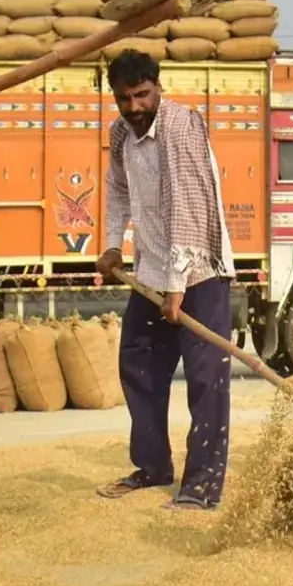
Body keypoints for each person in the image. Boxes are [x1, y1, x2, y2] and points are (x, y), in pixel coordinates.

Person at [93, 49, 236, 512]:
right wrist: (114, 244)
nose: (134, 107)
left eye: (142, 95)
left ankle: (202, 486)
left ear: (158, 87)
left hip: (200, 275)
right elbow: (117, 190)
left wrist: (178, 287)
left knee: (206, 383)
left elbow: (189, 208)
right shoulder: (120, 134)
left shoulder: (181, 126)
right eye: (123, 98)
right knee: (138, 368)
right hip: (150, 273)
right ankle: (152, 467)